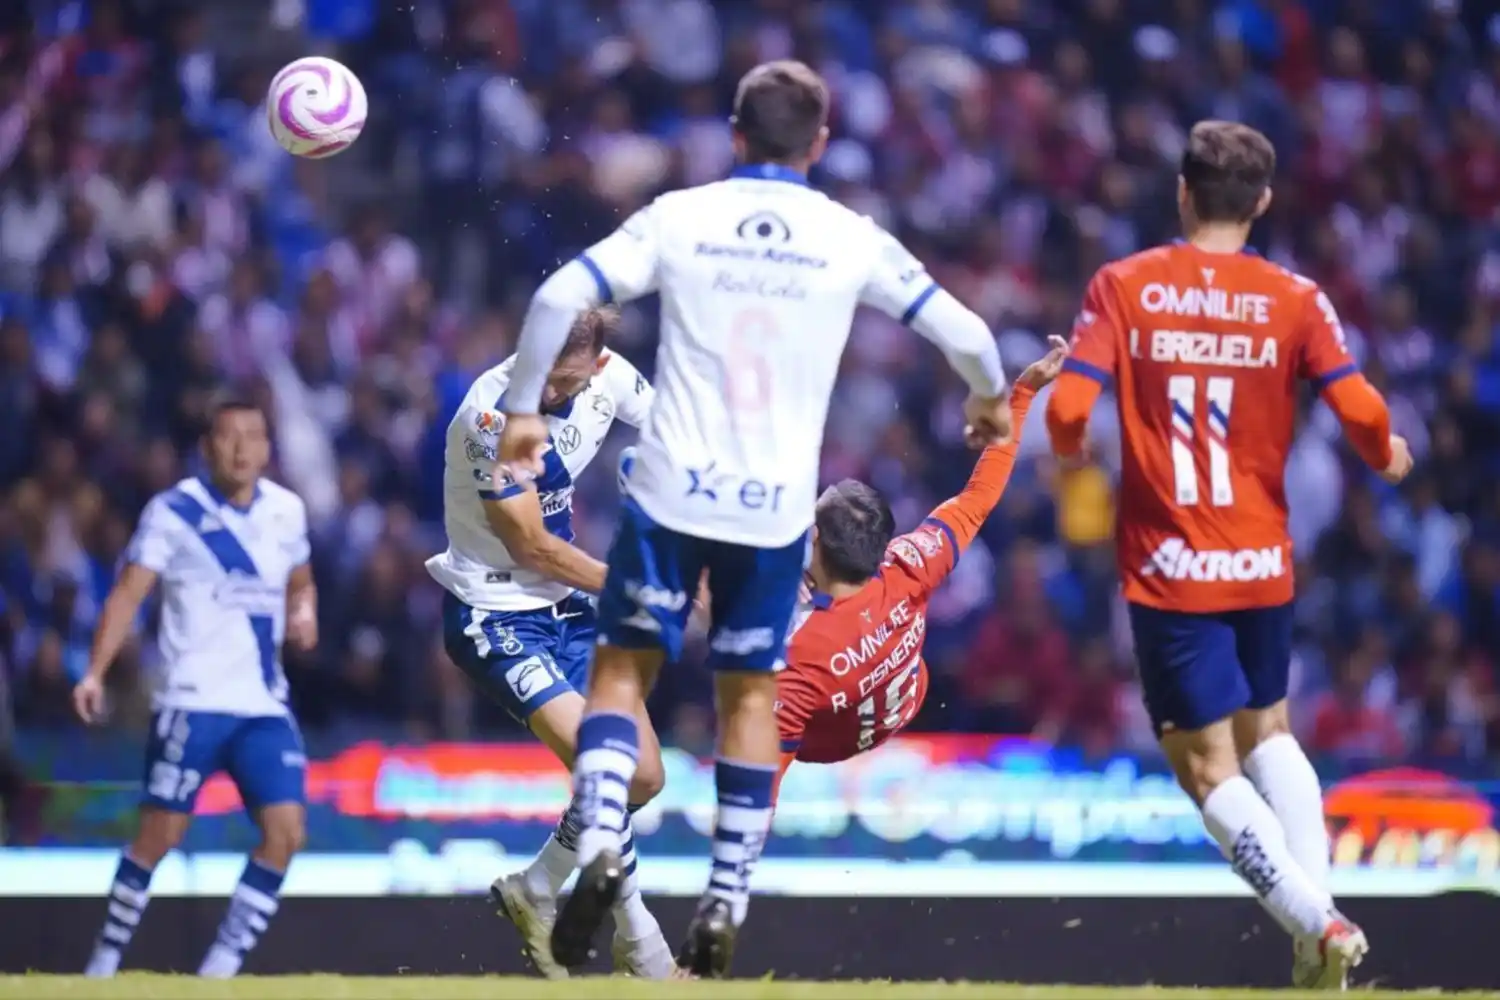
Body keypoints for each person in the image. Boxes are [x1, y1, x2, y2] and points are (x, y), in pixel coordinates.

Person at [496, 59, 1011, 978]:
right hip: (773, 509)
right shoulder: (849, 236)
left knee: (620, 682)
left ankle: (603, 845)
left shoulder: (680, 217)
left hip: (674, 490)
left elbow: (554, 300)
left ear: (734, 135)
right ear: (818, 144)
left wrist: (529, 409)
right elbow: (968, 334)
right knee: (750, 700)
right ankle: (725, 898)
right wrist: (988, 403)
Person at [1044, 120, 1413, 990]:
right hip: (1261, 563)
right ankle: (1317, 932)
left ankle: (1314, 920)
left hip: (1174, 568)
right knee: (1270, 732)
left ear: (1182, 192)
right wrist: (1386, 452)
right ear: (1263, 203)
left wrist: (1076, 453)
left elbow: (1067, 411)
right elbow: (1359, 407)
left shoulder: (1125, 284)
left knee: (1206, 766)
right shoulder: (1295, 297)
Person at [425, 305, 676, 980]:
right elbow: (530, 545)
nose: (551, 393)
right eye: (544, 375)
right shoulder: (490, 417)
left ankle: (536, 889)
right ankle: (642, 945)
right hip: (496, 614)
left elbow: (679, 442)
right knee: (609, 766)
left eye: (567, 381)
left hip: (569, 609)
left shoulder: (612, 380)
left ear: (595, 366)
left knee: (646, 777)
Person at [73, 397, 319, 979]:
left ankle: (220, 971)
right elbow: (129, 595)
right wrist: (94, 672)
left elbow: (302, 581)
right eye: (228, 437)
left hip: (262, 704)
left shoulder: (287, 511)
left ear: (267, 447)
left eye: (252, 436)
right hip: (192, 701)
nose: (241, 449)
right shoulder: (173, 512)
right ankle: (103, 963)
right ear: (207, 447)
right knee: (159, 837)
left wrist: (304, 612)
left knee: (286, 833)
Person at [775, 337, 1068, 790]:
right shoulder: (909, 564)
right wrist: (1023, 395)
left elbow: (760, 782)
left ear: (816, 541)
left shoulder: (798, 648)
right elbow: (979, 496)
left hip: (826, 743)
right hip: (901, 697)